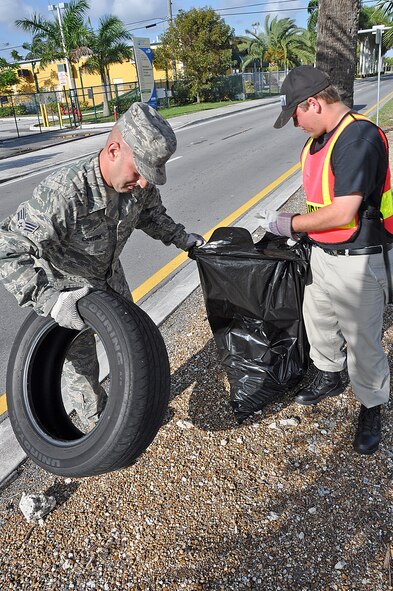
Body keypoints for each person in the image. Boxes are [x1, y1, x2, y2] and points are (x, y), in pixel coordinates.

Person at [0, 102, 204, 430]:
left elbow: (152, 216)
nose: (143, 184)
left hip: (110, 278)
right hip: (70, 292)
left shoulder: (138, 187)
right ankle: (99, 431)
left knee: (132, 348)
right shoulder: (65, 192)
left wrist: (183, 239)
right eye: (139, 172)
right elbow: (7, 248)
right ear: (112, 151)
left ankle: (137, 414)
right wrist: (49, 301)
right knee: (83, 368)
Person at [259, 65, 392, 455]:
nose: (295, 124)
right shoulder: (318, 141)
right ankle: (329, 375)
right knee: (319, 322)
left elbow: (343, 211)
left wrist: (289, 224)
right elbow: (321, 200)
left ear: (313, 103)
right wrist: (301, 231)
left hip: (359, 258)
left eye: (295, 115)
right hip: (323, 252)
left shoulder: (359, 138)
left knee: (363, 340)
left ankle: (372, 404)